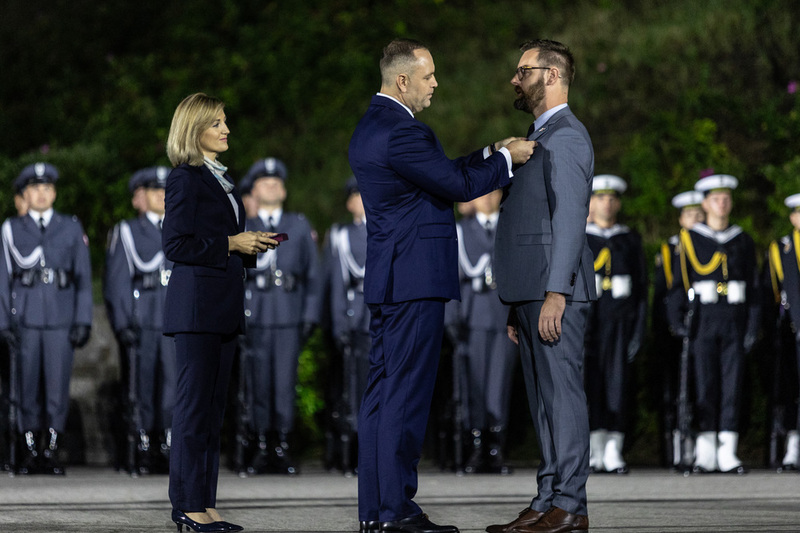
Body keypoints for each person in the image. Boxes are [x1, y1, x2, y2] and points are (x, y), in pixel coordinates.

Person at [348, 38, 534, 533]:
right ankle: (397, 511)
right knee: (405, 398)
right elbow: (455, 186)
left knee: (382, 398)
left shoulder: (374, 127)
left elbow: (440, 174)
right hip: (414, 281)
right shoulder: (404, 132)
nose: (436, 84)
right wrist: (508, 161)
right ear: (402, 80)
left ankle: (376, 510)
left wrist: (491, 151)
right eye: (429, 76)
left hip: (391, 280)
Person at [490, 39, 595, 533]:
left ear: (551, 75)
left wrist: (557, 292)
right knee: (542, 401)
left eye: (523, 70)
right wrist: (519, 304)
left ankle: (570, 504)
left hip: (555, 292)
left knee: (563, 397)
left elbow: (571, 219)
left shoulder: (568, 136)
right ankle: (548, 497)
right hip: (531, 292)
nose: (515, 79)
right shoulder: (542, 134)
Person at [162, 92, 278, 533]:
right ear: (195, 131)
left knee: (212, 412)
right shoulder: (186, 178)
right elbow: (175, 246)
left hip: (221, 308)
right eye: (217, 124)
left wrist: (249, 245)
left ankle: (204, 503)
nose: (227, 130)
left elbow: (216, 241)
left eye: (225, 122)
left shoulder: (219, 180)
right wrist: (231, 243)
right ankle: (186, 506)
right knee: (193, 411)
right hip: (196, 310)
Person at [0, 162, 93, 476]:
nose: (41, 194)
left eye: (46, 188)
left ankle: (51, 450)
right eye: (34, 189)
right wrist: (3, 321)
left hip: (59, 317)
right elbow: (3, 279)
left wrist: (83, 319)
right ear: (25, 194)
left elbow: (82, 277)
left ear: (54, 192)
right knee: (26, 388)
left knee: (56, 387)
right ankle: (29, 451)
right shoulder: (12, 229)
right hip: (25, 318)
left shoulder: (70, 227)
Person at [665, 174, 758, 475]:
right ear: (705, 204)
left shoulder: (742, 239)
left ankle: (728, 451)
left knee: (732, 386)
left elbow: (754, 288)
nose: (722, 203)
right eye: (716, 198)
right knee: (704, 384)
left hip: (734, 319)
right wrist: (677, 322)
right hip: (703, 320)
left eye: (726, 198)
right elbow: (678, 285)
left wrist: (753, 325)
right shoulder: (690, 239)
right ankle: (705, 450)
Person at [240, 157, 320, 475]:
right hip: (255, 315)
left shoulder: (299, 226)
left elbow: (313, 277)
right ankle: (260, 446)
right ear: (255, 190)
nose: (271, 186)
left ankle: (282, 447)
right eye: (264, 182)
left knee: (284, 384)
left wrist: (309, 317)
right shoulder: (243, 228)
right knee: (257, 384)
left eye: (276, 182)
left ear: (284, 191)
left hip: (288, 316)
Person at [105, 166, 174, 475]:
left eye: (166, 190)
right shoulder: (129, 231)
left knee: (174, 386)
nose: (162, 195)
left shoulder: (185, 230)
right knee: (143, 386)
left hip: (176, 319)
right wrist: (122, 324)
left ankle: (170, 444)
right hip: (143, 319)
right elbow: (117, 282)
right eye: (154, 190)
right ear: (142, 197)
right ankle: (143, 443)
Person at [447, 189, 516, 475]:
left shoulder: (511, 225)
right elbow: (450, 277)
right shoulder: (461, 230)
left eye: (492, 192)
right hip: (472, 318)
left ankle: (495, 448)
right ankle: (475, 447)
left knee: (499, 386)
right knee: (473, 384)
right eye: (481, 193)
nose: (486, 198)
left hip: (503, 318)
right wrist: (451, 319)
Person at [584, 175, 647, 475]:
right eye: (599, 198)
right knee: (590, 384)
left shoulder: (629, 239)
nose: (606, 204)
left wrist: (638, 330)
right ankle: (593, 447)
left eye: (611, 198)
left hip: (621, 323)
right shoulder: (581, 236)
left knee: (618, 385)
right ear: (590, 203)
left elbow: (642, 289)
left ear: (618, 203)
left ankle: (614, 448)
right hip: (589, 325)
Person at [320, 176, 370, 475]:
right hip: (356, 320)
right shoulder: (342, 236)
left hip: (379, 320)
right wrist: (338, 322)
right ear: (350, 202)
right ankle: (350, 451)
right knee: (352, 390)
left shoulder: (386, 230)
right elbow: (336, 284)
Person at [652, 190, 704, 468]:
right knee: (674, 390)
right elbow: (664, 291)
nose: (695, 219)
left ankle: (696, 444)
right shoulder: (671, 248)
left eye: (700, 215)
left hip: (702, 325)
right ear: (681, 219)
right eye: (690, 215)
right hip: (676, 328)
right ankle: (675, 446)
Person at [764, 193, 800, 471]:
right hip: (792, 330)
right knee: (792, 389)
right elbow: (772, 293)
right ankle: (793, 446)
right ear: (792, 217)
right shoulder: (782, 249)